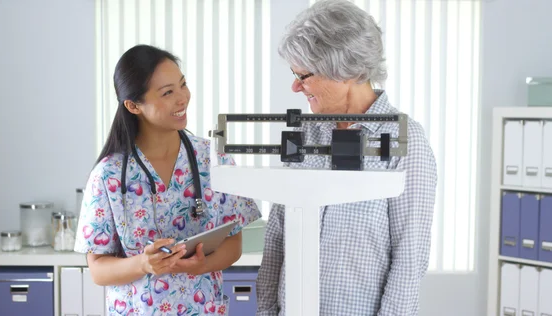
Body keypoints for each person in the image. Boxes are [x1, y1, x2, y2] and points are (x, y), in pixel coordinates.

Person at [255, 0, 437, 315]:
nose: (295, 86)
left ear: (347, 71)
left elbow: (409, 259)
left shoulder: (405, 141)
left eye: (305, 75)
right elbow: (276, 236)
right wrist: (268, 310)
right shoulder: (306, 135)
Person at [74, 44, 262, 316]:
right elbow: (98, 270)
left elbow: (233, 244)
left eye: (182, 85)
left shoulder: (213, 160)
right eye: (168, 93)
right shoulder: (109, 175)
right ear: (133, 105)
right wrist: (143, 264)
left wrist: (201, 266)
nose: (182, 98)